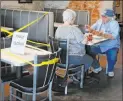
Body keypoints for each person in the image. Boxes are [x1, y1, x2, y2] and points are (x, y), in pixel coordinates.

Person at [55, 9, 93, 79]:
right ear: (72, 18)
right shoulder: (74, 29)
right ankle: (76, 75)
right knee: (90, 59)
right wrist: (87, 36)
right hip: (75, 58)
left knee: (86, 59)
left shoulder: (58, 29)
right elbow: (84, 42)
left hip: (61, 58)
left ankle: (72, 74)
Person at [85, 9, 120, 77]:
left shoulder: (114, 23)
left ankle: (110, 70)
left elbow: (113, 37)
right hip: (100, 45)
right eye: (102, 16)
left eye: (105, 17)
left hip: (111, 46)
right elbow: (92, 28)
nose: (103, 18)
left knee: (112, 57)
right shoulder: (99, 21)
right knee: (88, 50)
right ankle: (97, 67)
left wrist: (102, 34)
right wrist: (88, 28)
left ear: (110, 17)